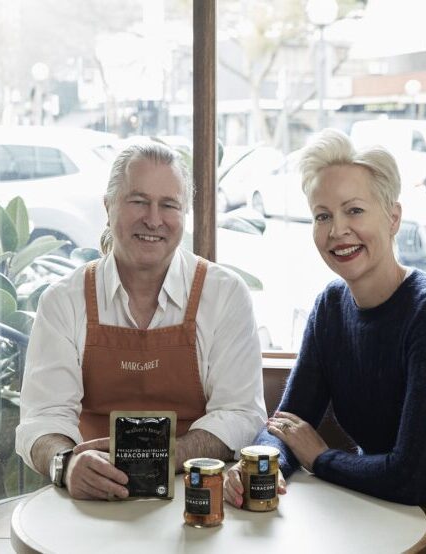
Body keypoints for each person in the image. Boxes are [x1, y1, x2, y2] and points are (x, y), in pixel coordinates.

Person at [224, 129, 426, 553]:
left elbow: (411, 477)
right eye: (322, 215)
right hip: (382, 511)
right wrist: (261, 464)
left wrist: (320, 458)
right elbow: (289, 422)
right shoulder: (330, 307)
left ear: (393, 217)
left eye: (354, 210)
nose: (337, 230)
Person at [16, 141, 266, 500]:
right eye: (138, 201)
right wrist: (68, 464)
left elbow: (240, 413)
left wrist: (169, 457)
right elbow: (42, 418)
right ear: (108, 206)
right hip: (95, 492)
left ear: (184, 214)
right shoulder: (63, 301)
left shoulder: (225, 295)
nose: (153, 219)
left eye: (169, 205)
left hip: (194, 494)